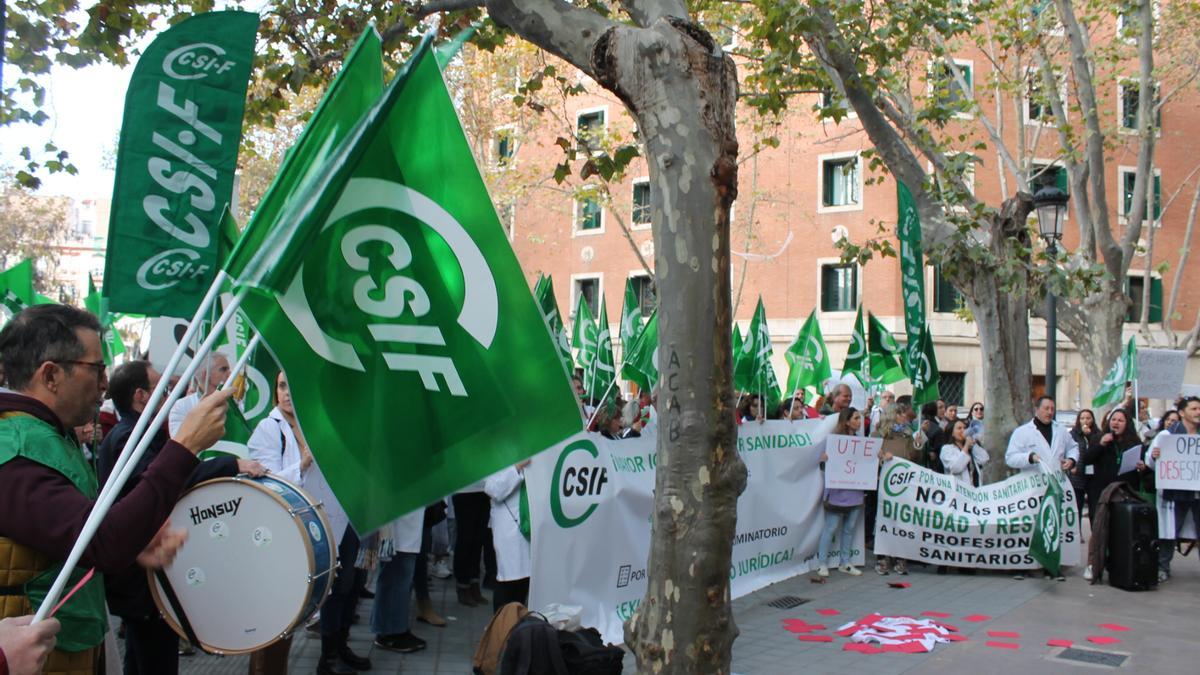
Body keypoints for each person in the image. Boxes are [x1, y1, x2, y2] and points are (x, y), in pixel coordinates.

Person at [0, 304, 231, 674]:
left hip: (68, 647)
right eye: (96, 368)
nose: (106, 382)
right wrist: (184, 446)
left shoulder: (47, 435)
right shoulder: (13, 448)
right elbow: (99, 543)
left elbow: (71, 541)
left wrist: (135, 543)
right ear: (51, 375)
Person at [97, 360, 266, 675]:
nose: (170, 392)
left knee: (143, 655)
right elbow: (159, 480)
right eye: (161, 387)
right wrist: (230, 465)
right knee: (154, 658)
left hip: (142, 571)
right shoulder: (129, 437)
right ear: (140, 396)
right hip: (140, 574)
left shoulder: (137, 431)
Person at [246, 371, 366, 675]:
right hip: (294, 528)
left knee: (345, 585)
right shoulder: (268, 429)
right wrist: (303, 464)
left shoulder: (321, 423)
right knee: (283, 608)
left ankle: (335, 649)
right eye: (282, 387)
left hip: (338, 516)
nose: (287, 393)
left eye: (293, 386)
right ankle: (286, 664)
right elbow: (266, 483)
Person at [1005, 396, 1078, 581]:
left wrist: (1071, 460)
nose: (1049, 412)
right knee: (1028, 527)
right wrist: (1029, 457)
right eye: (1046, 408)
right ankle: (1022, 566)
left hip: (1054, 486)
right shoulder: (1022, 432)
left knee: (1052, 526)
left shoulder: (1061, 431)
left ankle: (1051, 567)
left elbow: (1073, 448)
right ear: (1036, 409)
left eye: (1052, 408)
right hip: (1030, 487)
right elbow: (1010, 457)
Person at [1080, 407, 1145, 581]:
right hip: (1100, 492)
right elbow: (1086, 459)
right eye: (1113, 420)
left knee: (1120, 530)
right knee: (1099, 528)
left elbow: (1143, 471)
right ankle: (1093, 564)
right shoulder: (1099, 438)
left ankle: (1116, 564)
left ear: (1127, 424)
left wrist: (1142, 468)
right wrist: (1101, 445)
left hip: (1123, 492)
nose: (1115, 423)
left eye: (1120, 420)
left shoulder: (1135, 443)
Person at [1147, 396, 1200, 582]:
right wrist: (1155, 457)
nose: (1198, 412)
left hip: (1197, 493)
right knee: (1169, 532)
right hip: (1175, 494)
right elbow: (1150, 463)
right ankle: (1162, 567)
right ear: (1182, 413)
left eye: (1199, 409)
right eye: (1193, 409)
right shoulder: (1167, 436)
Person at [817, 408, 866, 577]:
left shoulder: (861, 442)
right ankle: (822, 563)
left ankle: (845, 562)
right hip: (837, 491)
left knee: (849, 528)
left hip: (855, 491)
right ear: (846, 421)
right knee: (831, 527)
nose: (859, 421)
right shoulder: (834, 441)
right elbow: (823, 463)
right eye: (856, 418)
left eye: (859, 418)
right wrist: (824, 459)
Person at [370, 509, 427, 655]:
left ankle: (397, 628)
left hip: (408, 521)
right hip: (397, 523)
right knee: (395, 577)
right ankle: (388, 633)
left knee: (402, 578)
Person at [484, 460, 532, 613]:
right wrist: (517, 467)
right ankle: (500, 632)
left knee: (525, 581)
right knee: (509, 580)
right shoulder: (499, 451)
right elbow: (493, 489)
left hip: (533, 526)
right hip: (509, 527)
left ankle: (517, 631)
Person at [167, 352, 230, 436]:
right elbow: (179, 441)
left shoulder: (239, 404)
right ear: (206, 374)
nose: (230, 373)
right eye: (223, 369)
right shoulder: (181, 406)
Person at [1069, 409, 1101, 521]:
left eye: (1088, 418)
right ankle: (1078, 533)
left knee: (1094, 507)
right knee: (1077, 505)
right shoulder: (1073, 435)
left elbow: (1097, 450)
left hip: (1093, 476)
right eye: (1082, 418)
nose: (1085, 421)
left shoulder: (1097, 434)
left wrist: (1090, 436)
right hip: (1077, 475)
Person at [941, 418, 989, 488]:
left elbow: (984, 459)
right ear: (952, 433)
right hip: (958, 491)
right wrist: (966, 446)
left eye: (964, 428)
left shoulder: (971, 447)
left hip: (975, 489)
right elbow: (956, 467)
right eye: (959, 428)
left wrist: (973, 445)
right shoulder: (946, 449)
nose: (963, 430)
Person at [917, 401, 946, 472]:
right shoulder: (936, 429)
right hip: (930, 467)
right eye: (940, 407)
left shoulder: (915, 423)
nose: (943, 410)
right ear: (935, 410)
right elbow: (940, 451)